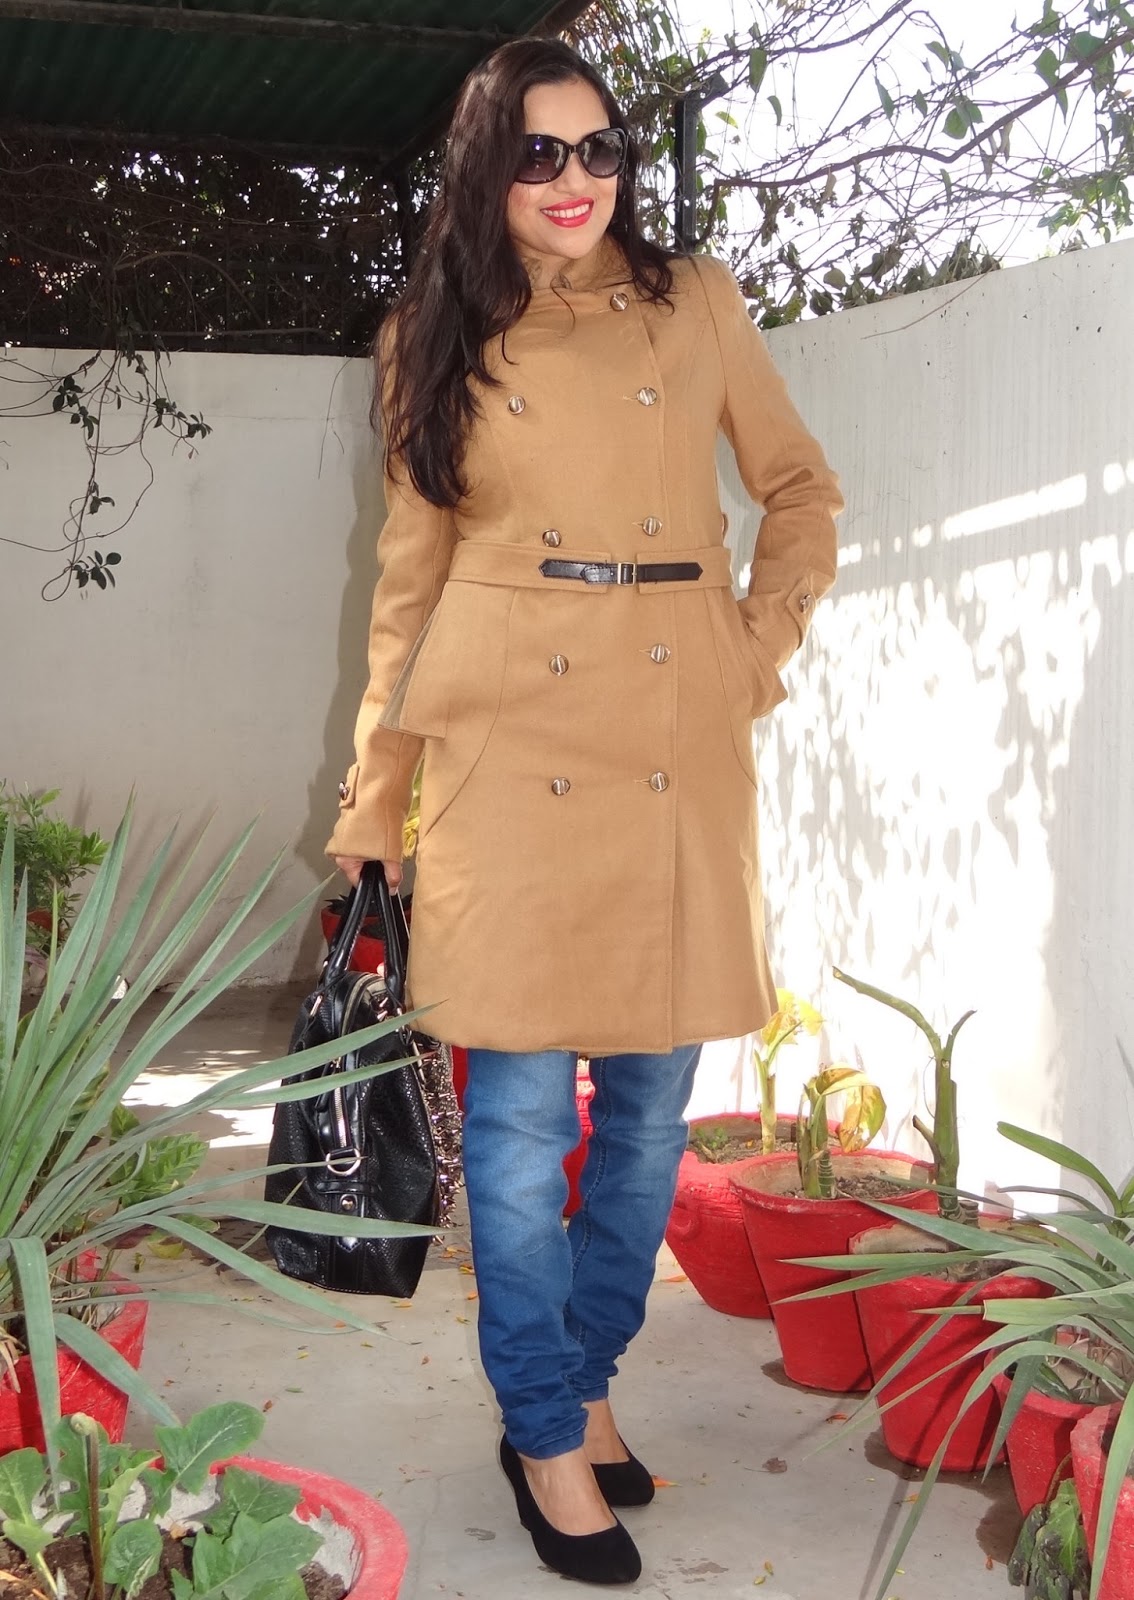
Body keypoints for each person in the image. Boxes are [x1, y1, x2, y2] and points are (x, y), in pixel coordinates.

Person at [328, 36, 841, 1587]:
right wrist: (374, 800)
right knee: (516, 1128)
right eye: (539, 153)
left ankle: (589, 1376)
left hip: (673, 731)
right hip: (505, 745)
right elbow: (406, 591)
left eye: (598, 148)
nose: (574, 181)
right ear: (486, 167)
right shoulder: (430, 334)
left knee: (646, 1125)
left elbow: (800, 490)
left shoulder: (695, 304)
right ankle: (544, 1430)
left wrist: (753, 649)